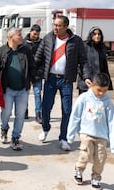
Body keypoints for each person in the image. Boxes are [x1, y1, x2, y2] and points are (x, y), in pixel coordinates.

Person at [35, 14, 91, 151]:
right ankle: (45, 128)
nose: (56, 28)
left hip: (66, 80)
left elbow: (83, 61)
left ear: (66, 27)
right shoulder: (48, 38)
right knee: (46, 107)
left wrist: (86, 77)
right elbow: (38, 57)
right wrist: (30, 73)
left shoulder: (76, 41)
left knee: (67, 110)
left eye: (59, 26)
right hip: (50, 79)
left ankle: (63, 138)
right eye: (55, 25)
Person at [67, 73, 114, 190]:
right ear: (92, 85)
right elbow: (75, 117)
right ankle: (79, 169)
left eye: (104, 91)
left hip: (101, 136)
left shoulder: (108, 102)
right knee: (85, 154)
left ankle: (96, 177)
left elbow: (112, 122)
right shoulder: (84, 98)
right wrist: (70, 135)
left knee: (100, 158)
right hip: (86, 133)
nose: (101, 93)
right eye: (99, 90)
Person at [0, 28, 35, 150]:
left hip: (23, 89)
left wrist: (31, 80)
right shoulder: (1, 51)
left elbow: (32, 66)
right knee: (6, 113)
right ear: (11, 37)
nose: (22, 37)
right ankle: (4, 128)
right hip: (7, 90)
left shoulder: (26, 51)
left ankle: (15, 138)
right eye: (19, 35)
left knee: (20, 114)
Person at [77, 27, 113, 95]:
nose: (97, 36)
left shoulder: (102, 48)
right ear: (91, 35)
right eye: (95, 34)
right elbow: (80, 64)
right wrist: (86, 77)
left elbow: (104, 66)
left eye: (99, 34)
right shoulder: (84, 46)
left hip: (99, 82)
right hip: (86, 82)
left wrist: (107, 81)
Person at [23, 24, 43, 123]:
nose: (36, 36)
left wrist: (40, 73)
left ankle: (38, 113)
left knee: (37, 93)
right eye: (34, 34)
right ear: (30, 31)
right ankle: (24, 111)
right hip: (26, 73)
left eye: (38, 34)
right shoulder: (23, 43)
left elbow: (44, 59)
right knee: (24, 94)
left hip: (37, 73)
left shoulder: (41, 43)